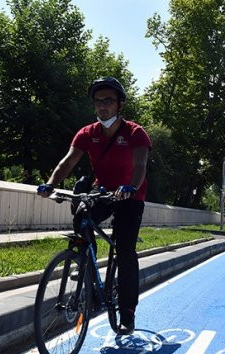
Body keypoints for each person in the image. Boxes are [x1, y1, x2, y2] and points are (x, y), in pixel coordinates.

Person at [37, 77, 151, 335]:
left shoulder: (135, 133)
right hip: (102, 192)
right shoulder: (88, 133)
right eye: (98, 102)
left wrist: (130, 187)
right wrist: (51, 183)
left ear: (120, 103)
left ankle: (128, 313)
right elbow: (67, 162)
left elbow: (141, 166)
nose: (102, 107)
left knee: (125, 251)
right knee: (81, 217)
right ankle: (85, 262)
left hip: (129, 197)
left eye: (108, 101)